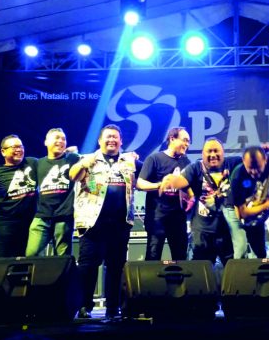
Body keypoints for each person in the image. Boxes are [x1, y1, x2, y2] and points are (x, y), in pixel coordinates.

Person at [69, 124, 140, 319]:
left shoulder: (129, 161)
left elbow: (140, 181)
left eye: (115, 137)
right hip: (92, 223)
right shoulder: (88, 159)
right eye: (108, 137)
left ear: (121, 141)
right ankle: (84, 306)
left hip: (119, 224)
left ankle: (112, 308)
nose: (112, 140)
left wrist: (161, 184)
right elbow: (73, 176)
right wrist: (85, 162)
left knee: (116, 267)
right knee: (88, 267)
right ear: (100, 140)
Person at [161, 138, 241, 266]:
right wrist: (171, 180)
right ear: (202, 154)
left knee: (234, 270)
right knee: (201, 272)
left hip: (228, 231)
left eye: (216, 151)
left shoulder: (234, 163)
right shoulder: (195, 168)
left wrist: (266, 153)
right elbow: (181, 181)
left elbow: (256, 163)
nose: (213, 155)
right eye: (209, 151)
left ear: (223, 152)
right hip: (203, 232)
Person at [136, 127, 192, 261]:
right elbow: (140, 183)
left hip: (178, 219)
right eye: (184, 140)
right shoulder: (154, 158)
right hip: (157, 218)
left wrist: (190, 197)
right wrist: (159, 185)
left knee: (180, 258)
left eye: (188, 141)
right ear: (172, 139)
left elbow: (189, 187)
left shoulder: (186, 162)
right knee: (153, 257)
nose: (187, 144)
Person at [25, 128, 81, 257]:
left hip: (64, 216)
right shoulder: (38, 163)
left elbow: (88, 162)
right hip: (41, 216)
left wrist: (74, 153)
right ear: (46, 142)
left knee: (62, 258)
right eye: (57, 138)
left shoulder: (72, 159)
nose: (60, 141)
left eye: (63, 139)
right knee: (31, 254)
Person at [0, 135, 38, 257]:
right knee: (0, 262)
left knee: (27, 261)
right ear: (3, 151)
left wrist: (66, 154)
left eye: (21, 146)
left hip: (30, 225)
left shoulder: (32, 163)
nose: (19, 150)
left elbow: (49, 163)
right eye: (14, 147)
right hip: (5, 226)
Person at [228, 145, 269, 259]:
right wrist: (266, 204)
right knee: (240, 249)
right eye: (250, 168)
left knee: (260, 252)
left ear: (265, 160)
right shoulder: (238, 177)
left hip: (254, 207)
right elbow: (243, 213)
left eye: (258, 167)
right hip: (235, 208)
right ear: (243, 161)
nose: (254, 172)